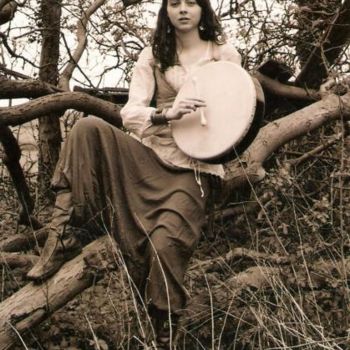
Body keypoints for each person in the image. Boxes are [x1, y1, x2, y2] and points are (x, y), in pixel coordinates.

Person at [27, 0, 241, 347]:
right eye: (174, 3)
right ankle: (63, 234)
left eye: (191, 3)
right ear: (166, 10)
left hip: (196, 167)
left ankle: (164, 333)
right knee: (88, 128)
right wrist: (166, 114)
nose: (183, 9)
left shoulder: (224, 55)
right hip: (152, 157)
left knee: (164, 244)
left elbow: (236, 112)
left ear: (203, 9)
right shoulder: (153, 54)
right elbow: (131, 114)